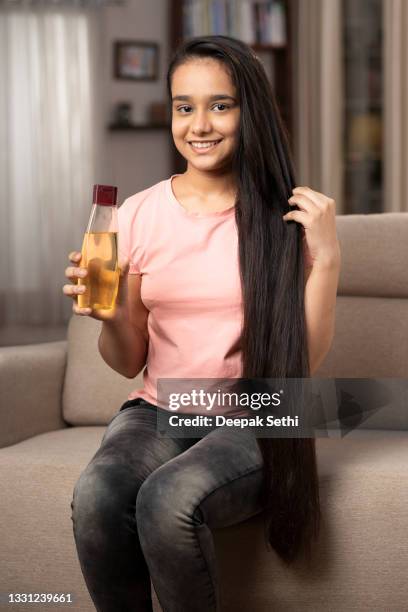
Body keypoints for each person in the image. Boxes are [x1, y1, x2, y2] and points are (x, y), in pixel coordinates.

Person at [64, 35, 341, 612]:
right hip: (158, 408)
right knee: (97, 493)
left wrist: (329, 257)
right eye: (183, 106)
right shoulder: (137, 213)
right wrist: (111, 317)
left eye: (221, 105)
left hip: (263, 411)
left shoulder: (286, 215)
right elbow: (125, 361)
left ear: (250, 111)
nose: (199, 125)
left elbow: (304, 363)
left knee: (168, 497)